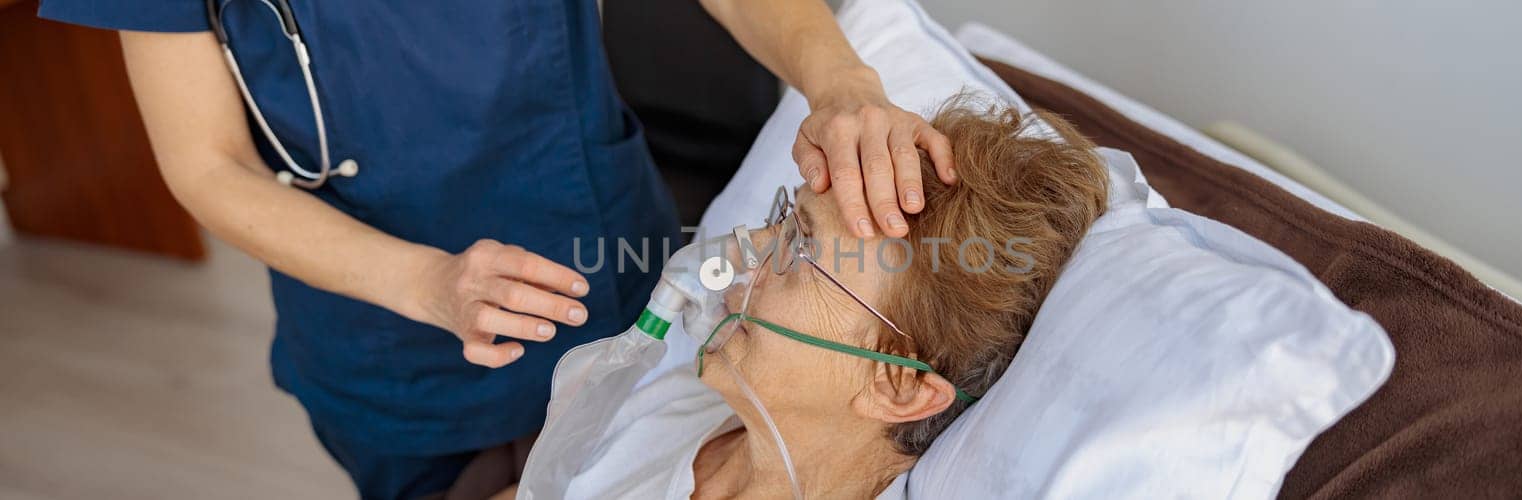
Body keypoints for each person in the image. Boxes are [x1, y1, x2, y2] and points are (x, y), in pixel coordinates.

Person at [38, 0, 954, 498]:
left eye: (800, 246)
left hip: (603, 263)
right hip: (392, 346)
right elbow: (204, 167)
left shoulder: (714, 399)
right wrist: (425, 281)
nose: (757, 250)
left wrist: (838, 77)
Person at [551, 100, 1111, 498]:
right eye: (786, 218)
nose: (752, 246)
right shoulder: (686, 408)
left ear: (898, 385)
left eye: (803, 248)